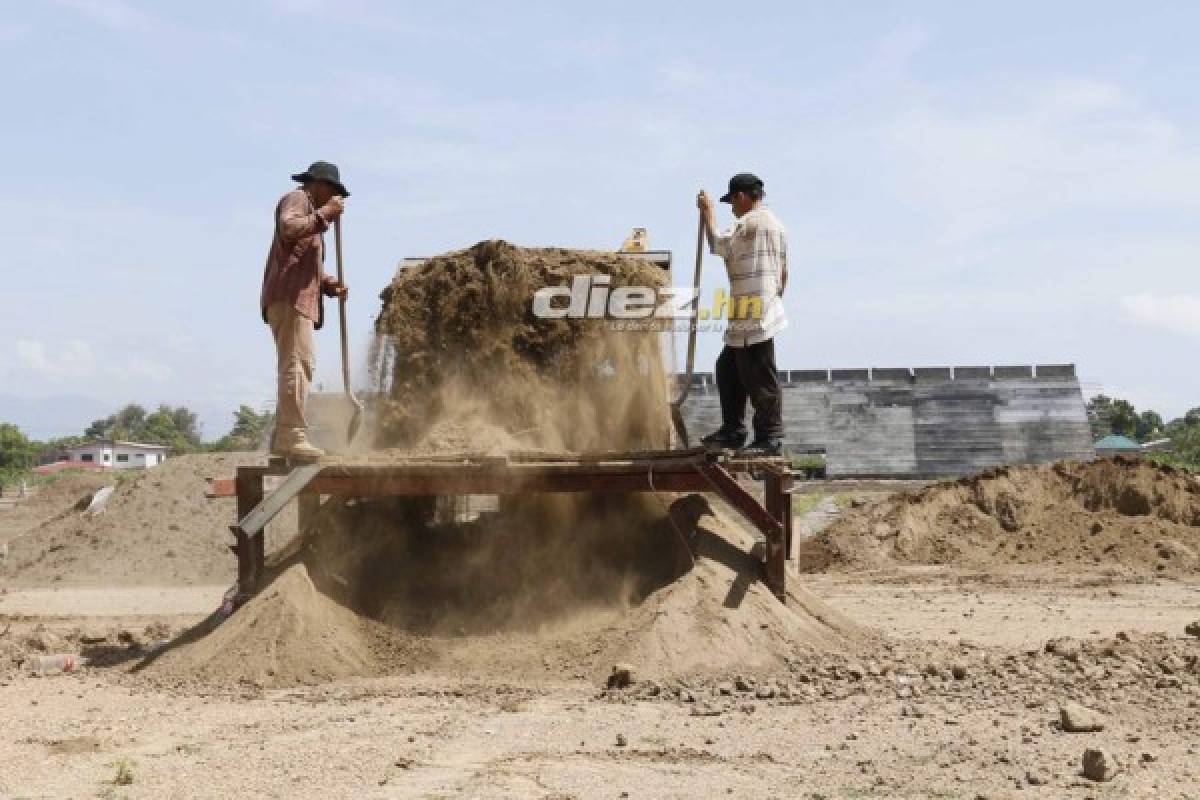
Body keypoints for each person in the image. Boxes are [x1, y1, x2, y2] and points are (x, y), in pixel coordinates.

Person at [260, 161, 350, 461]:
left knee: (298, 364)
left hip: (297, 299)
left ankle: (282, 436)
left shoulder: (313, 218)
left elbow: (301, 263)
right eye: (332, 192)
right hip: (290, 299)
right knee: (297, 365)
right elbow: (288, 228)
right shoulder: (298, 199)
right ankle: (292, 437)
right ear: (319, 185)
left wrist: (327, 283)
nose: (333, 198)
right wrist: (325, 215)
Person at [696, 173, 788, 456]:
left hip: (753, 313)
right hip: (753, 310)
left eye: (731, 203)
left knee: (759, 375)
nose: (731, 209)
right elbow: (785, 273)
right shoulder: (776, 226)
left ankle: (769, 438)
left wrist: (707, 211)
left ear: (742, 196)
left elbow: (718, 245)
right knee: (728, 369)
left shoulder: (751, 222)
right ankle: (733, 430)